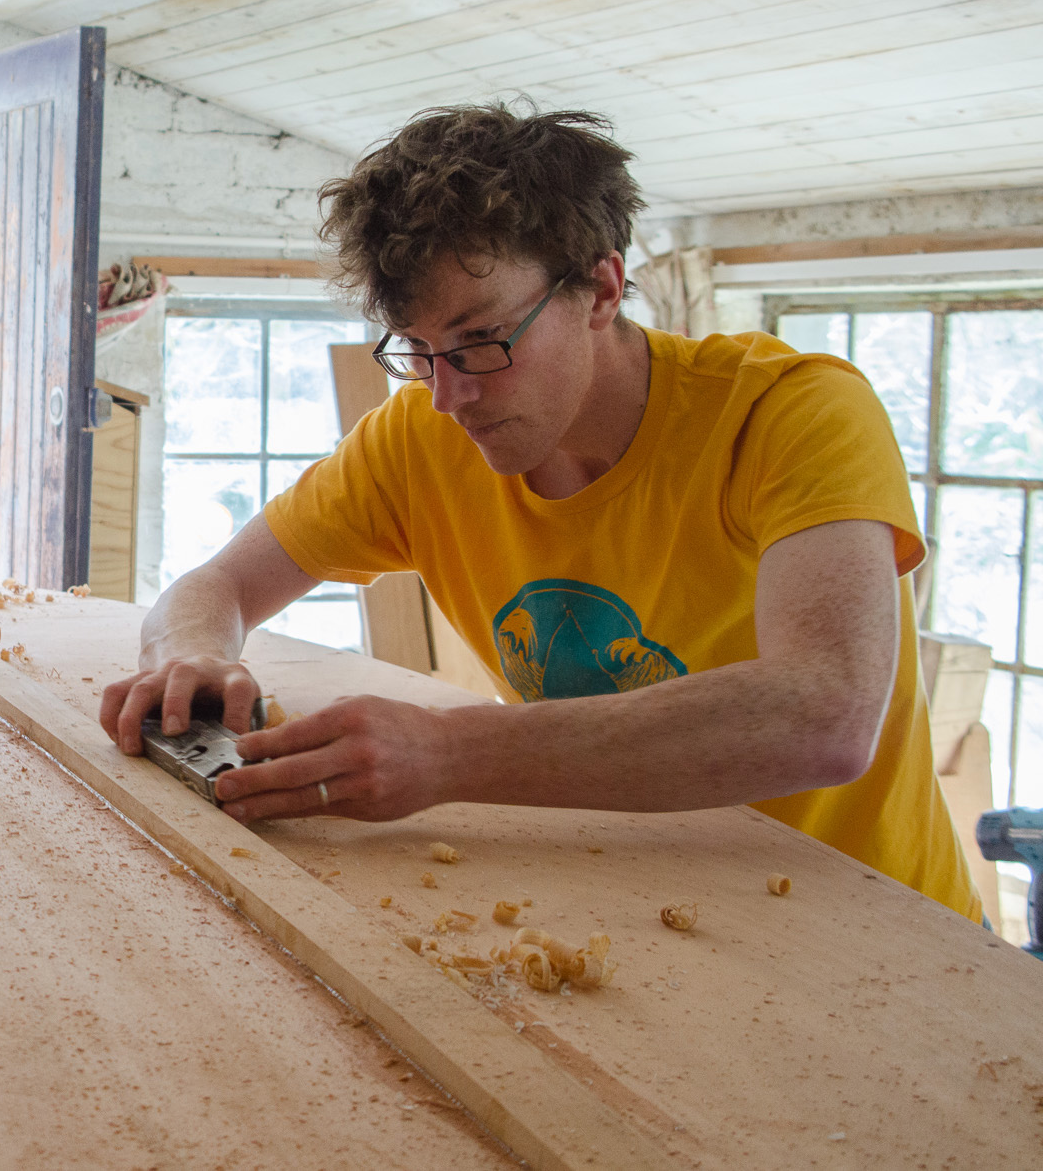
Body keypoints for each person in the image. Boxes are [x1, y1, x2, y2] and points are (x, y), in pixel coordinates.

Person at [99, 103, 980, 922]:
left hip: (874, 920)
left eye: (482, 342)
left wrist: (448, 755)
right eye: (420, 352)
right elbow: (218, 584)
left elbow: (824, 715)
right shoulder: (418, 436)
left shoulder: (789, 413)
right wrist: (192, 656)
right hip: (661, 910)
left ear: (600, 289)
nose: (450, 395)